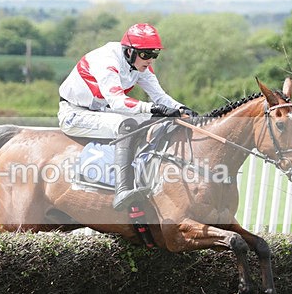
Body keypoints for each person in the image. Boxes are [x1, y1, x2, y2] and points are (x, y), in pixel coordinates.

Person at [58, 23, 195, 210]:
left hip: (101, 111)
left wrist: (182, 108)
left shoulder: (139, 65)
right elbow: (118, 102)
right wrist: (156, 109)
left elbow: (160, 96)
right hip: (74, 113)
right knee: (127, 124)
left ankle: (145, 176)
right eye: (146, 55)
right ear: (129, 52)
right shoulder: (107, 61)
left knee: (151, 123)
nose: (150, 60)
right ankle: (122, 190)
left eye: (154, 55)